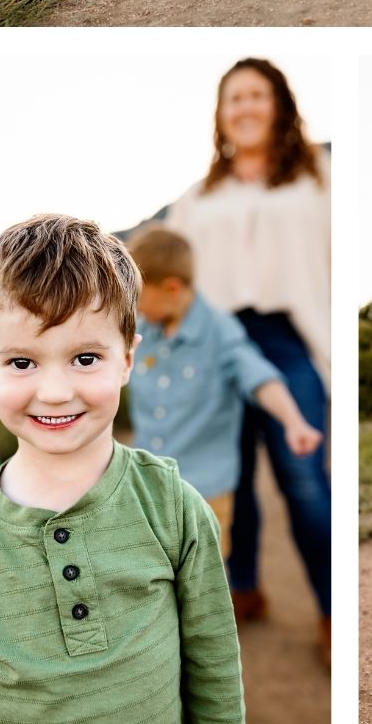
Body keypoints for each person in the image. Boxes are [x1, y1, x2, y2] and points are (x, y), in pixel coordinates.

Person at [0, 215, 248, 724]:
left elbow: (216, 677)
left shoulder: (174, 508)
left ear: (127, 358)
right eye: (22, 362)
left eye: (85, 358)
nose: (55, 392)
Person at [161, 61, 331, 655]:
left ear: (279, 104)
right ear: (220, 113)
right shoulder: (198, 198)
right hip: (215, 343)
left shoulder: (318, 178)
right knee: (225, 478)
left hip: (290, 339)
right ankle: (243, 588)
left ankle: (333, 612)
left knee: (303, 480)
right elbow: (171, 278)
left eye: (257, 95)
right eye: (234, 98)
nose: (246, 106)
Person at [126, 225, 322, 559]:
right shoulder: (142, 331)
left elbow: (258, 376)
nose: (134, 306)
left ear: (172, 288)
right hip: (145, 486)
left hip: (204, 492)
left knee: (199, 574)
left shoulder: (220, 331)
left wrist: (293, 422)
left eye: (139, 297)